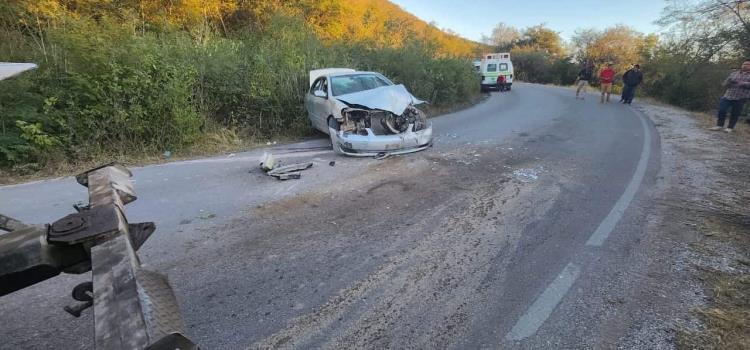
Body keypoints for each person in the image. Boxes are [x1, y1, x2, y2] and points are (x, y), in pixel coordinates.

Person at [709, 60, 750, 133]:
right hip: (728, 95)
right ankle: (719, 125)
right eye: (744, 64)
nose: (745, 65)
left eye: (747, 64)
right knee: (722, 110)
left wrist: (743, 83)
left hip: (741, 97)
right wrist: (728, 83)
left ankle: (730, 127)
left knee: (735, 113)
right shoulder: (734, 73)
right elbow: (724, 83)